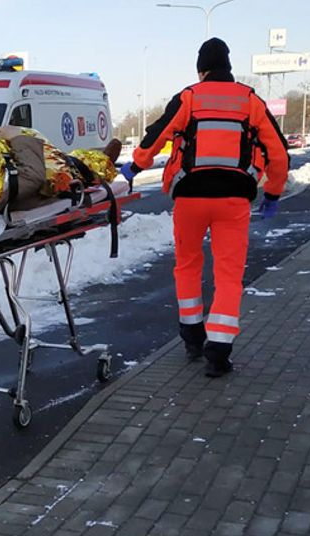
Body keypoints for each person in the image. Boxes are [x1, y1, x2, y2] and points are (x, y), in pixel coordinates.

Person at [120, 38, 289, 378]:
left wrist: (134, 167)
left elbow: (158, 133)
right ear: (228, 67)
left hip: (190, 199)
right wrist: (272, 193)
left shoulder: (190, 97)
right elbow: (279, 152)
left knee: (187, 267)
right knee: (228, 275)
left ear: (201, 69)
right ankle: (219, 352)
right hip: (234, 201)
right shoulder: (250, 100)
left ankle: (192, 337)